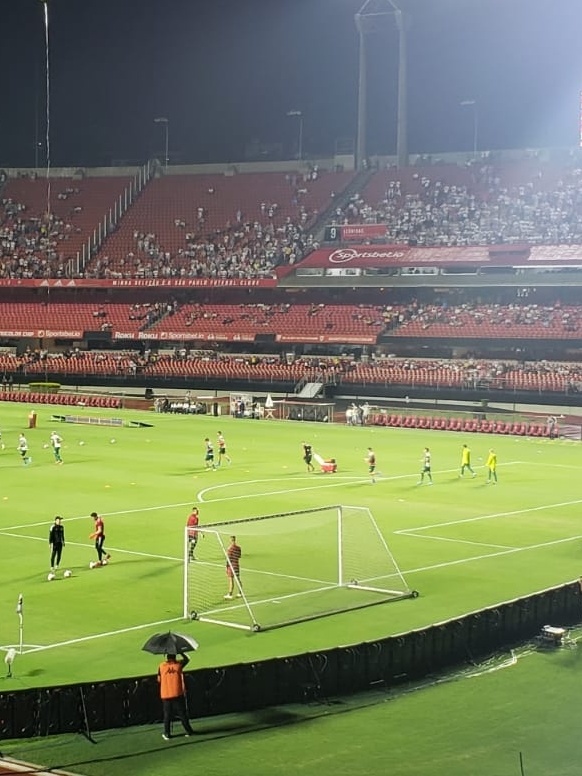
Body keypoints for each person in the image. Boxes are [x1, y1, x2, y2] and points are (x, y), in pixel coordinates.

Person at [158, 653, 195, 740]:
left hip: (165, 694)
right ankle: (189, 731)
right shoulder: (178, 665)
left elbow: (159, 679)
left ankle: (167, 734)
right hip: (177, 693)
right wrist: (181, 652)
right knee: (182, 714)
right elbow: (187, 659)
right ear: (175, 657)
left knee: (167, 715)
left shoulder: (161, 666)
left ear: (167, 657)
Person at [224, 535, 242, 599]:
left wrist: (226, 567)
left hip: (231, 566)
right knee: (238, 579)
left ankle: (230, 594)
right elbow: (239, 556)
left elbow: (228, 559)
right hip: (236, 565)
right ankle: (240, 592)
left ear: (230, 540)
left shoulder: (229, 549)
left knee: (231, 580)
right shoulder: (238, 548)